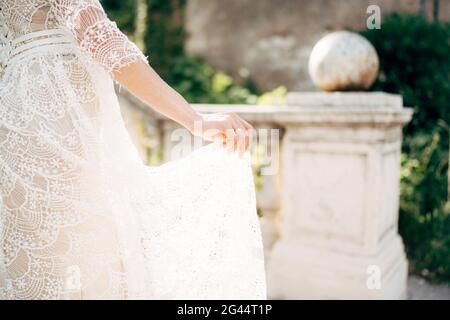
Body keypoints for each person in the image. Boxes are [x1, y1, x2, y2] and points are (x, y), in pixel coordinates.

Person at [0, 0, 266, 299]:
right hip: (56, 114)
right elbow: (100, 37)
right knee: (96, 253)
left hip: (14, 118)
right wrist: (195, 120)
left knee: (38, 258)